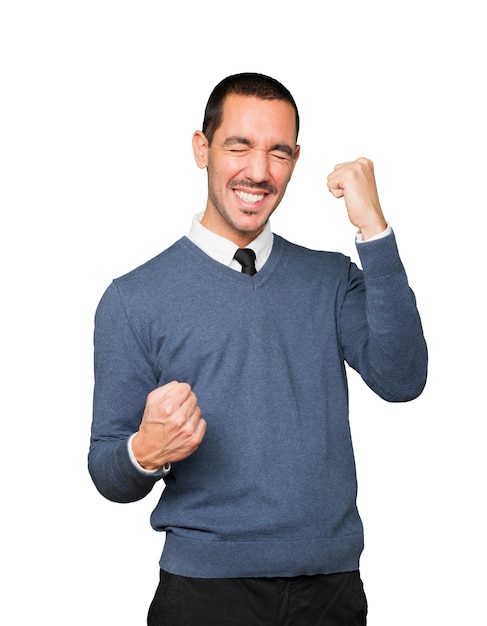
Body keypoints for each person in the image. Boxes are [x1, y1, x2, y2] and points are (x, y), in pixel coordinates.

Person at [88, 72, 428, 625]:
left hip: (332, 589)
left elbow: (403, 378)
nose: (258, 171)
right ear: (202, 149)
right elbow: (107, 470)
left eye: (278, 152)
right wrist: (144, 451)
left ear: (296, 160)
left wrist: (374, 230)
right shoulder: (133, 299)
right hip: (205, 593)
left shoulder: (331, 279)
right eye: (238, 146)